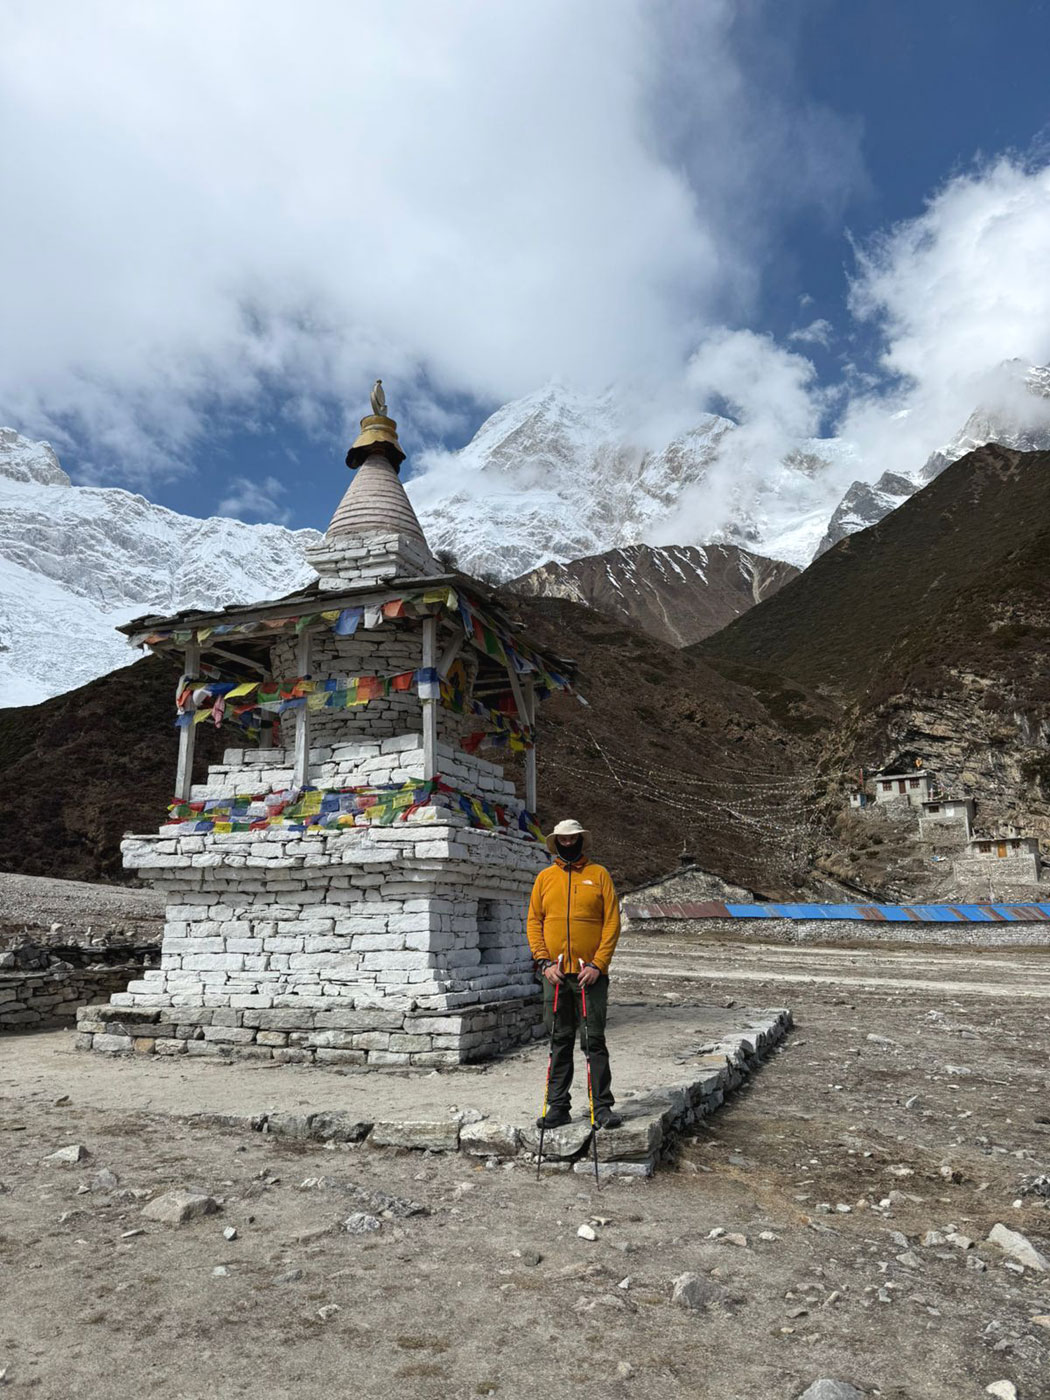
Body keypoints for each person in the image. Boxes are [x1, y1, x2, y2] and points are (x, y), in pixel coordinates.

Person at [526, 817, 622, 1129]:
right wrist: (544, 963)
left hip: (589, 975)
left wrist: (598, 964)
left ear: (581, 840)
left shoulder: (599, 875)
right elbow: (534, 922)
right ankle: (558, 1107)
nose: (569, 844)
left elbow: (612, 923)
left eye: (573, 839)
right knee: (559, 1040)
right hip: (555, 976)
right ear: (556, 843)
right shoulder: (544, 878)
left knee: (593, 1041)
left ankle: (602, 1108)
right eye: (563, 840)